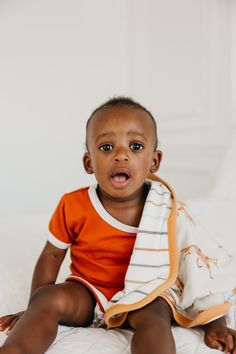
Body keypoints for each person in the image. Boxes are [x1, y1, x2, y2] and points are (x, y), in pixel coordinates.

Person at [0, 97, 236, 354]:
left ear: (154, 161)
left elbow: (198, 267)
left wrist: (216, 321)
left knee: (156, 317)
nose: (121, 155)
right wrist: (35, 304)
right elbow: (52, 255)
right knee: (48, 299)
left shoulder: (167, 211)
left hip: (145, 292)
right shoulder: (73, 205)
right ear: (88, 163)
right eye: (106, 147)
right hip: (89, 290)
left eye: (135, 146)